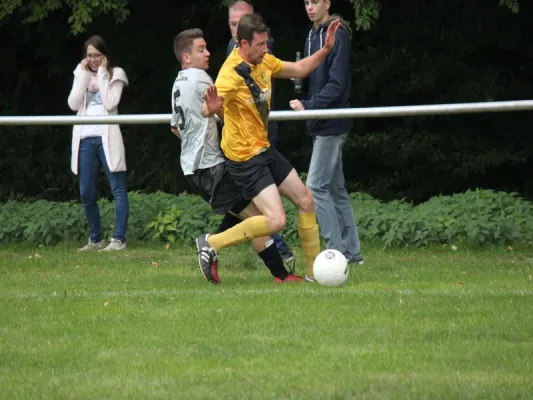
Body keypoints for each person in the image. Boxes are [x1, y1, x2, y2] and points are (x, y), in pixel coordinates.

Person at [197, 13, 341, 282]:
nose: (265, 49)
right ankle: (211, 243)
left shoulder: (264, 62)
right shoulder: (230, 73)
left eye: (266, 43)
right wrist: (213, 109)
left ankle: (314, 276)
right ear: (243, 43)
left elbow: (299, 69)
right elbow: (206, 107)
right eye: (260, 44)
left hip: (263, 149)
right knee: (275, 221)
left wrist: (326, 49)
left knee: (306, 200)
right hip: (243, 159)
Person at [171, 28, 303, 283]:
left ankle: (214, 247)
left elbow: (175, 128)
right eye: (201, 50)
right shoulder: (202, 79)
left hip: (196, 165)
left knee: (244, 209)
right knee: (259, 220)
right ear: (186, 57)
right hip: (209, 167)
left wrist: (198, 138)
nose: (208, 53)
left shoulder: (178, 82)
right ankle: (275, 272)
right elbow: (223, 111)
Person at [222, 0, 296, 271]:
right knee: (265, 212)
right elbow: (220, 101)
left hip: (264, 141)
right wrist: (215, 110)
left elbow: (290, 71)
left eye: (240, 21)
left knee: (298, 200)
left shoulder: (259, 48)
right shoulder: (231, 55)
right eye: (231, 23)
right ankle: (213, 244)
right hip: (245, 152)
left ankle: (211, 245)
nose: (235, 27)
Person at [289, 0, 363, 265]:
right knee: (335, 188)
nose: (309, 7)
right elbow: (313, 75)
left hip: (331, 121)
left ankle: (336, 253)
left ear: (327, 3)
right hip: (319, 121)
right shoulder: (312, 34)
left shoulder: (337, 32)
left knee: (315, 186)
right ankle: (352, 254)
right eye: (306, 2)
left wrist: (309, 105)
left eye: (315, 2)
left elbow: (338, 84)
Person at [67, 35, 129, 252]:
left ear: (105, 56)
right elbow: (73, 103)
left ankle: (118, 239)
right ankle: (95, 240)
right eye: (89, 56)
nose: (92, 60)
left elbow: (111, 102)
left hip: (107, 137)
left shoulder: (116, 74)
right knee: (86, 192)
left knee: (117, 189)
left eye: (97, 55)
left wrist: (102, 74)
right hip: (85, 138)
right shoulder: (81, 73)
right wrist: (83, 77)